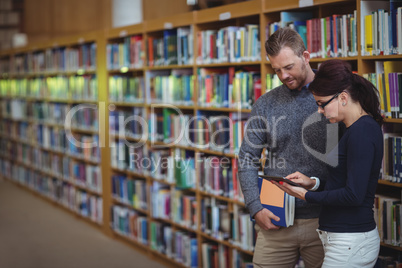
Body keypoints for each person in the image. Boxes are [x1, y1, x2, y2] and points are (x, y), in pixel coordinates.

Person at [238, 27, 335, 267]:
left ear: (306, 56)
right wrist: (255, 207)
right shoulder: (266, 104)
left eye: (289, 67)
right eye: (276, 70)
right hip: (276, 218)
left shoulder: (335, 97)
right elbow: (247, 158)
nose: (283, 75)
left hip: (327, 220)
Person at [273, 59, 383, 267]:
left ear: (343, 97)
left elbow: (353, 195)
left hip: (350, 240)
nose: (320, 111)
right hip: (344, 239)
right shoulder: (353, 129)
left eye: (322, 104)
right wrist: (312, 183)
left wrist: (306, 196)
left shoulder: (362, 131)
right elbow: (344, 182)